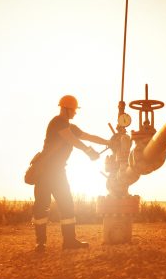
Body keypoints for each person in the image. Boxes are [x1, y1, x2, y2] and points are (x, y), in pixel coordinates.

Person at [32, 94, 110, 252]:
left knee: (67, 204)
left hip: (58, 171)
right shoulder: (57, 122)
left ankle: (69, 241)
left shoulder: (70, 127)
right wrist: (88, 151)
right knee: (42, 206)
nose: (75, 113)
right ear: (66, 109)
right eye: (74, 110)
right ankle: (41, 243)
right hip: (46, 171)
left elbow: (89, 136)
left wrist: (109, 142)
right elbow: (72, 140)